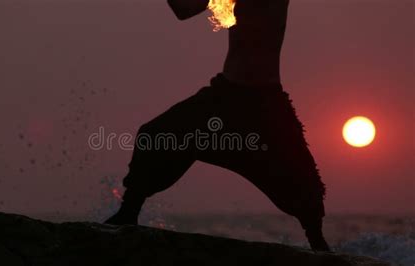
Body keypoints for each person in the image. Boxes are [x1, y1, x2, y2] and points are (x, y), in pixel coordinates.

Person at [105, 0, 331, 251]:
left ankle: (318, 244)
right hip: (225, 96)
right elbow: (184, 10)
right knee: (154, 136)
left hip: (265, 105)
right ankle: (128, 213)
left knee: (304, 182)